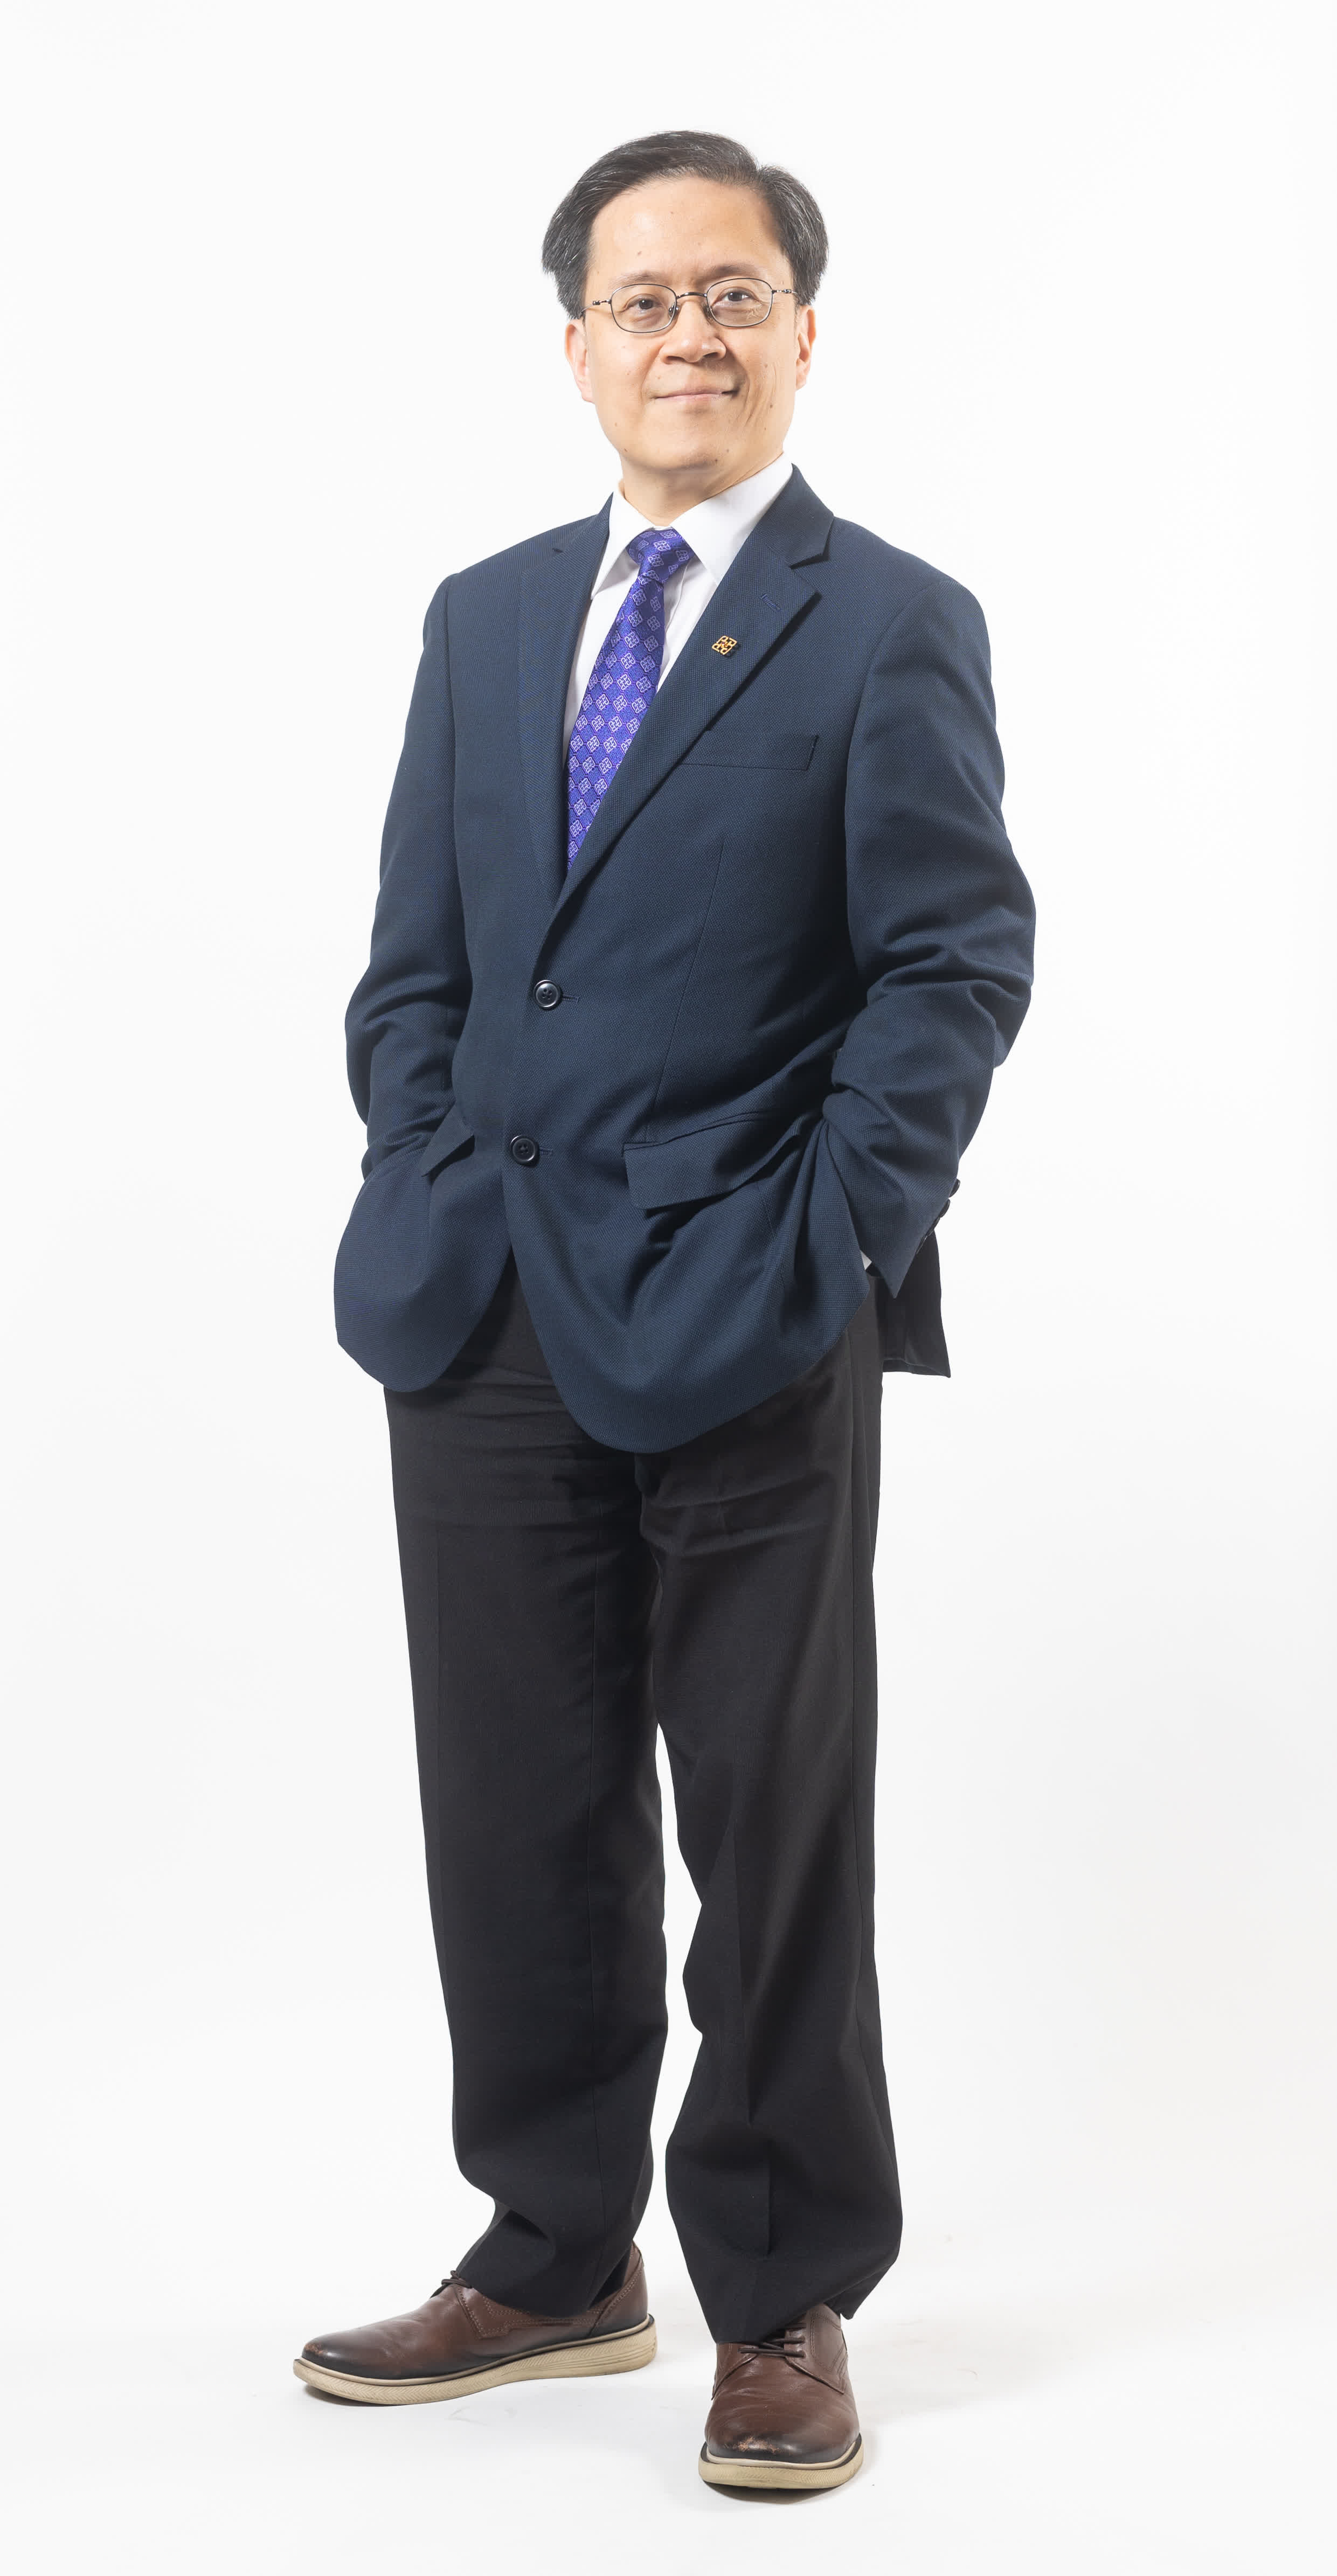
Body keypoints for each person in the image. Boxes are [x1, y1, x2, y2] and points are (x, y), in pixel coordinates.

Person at [296, 129, 1035, 2492]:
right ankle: (552, 2254)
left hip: (747, 1306)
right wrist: (423, 1156)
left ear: (803, 332)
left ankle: (785, 2292)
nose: (686, 336)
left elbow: (952, 962)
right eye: (643, 300)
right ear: (577, 346)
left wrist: (831, 1231)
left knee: (772, 1822)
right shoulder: (487, 614)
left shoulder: (885, 621)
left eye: (731, 295)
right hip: (481, 1306)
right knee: (514, 1807)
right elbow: (416, 960)